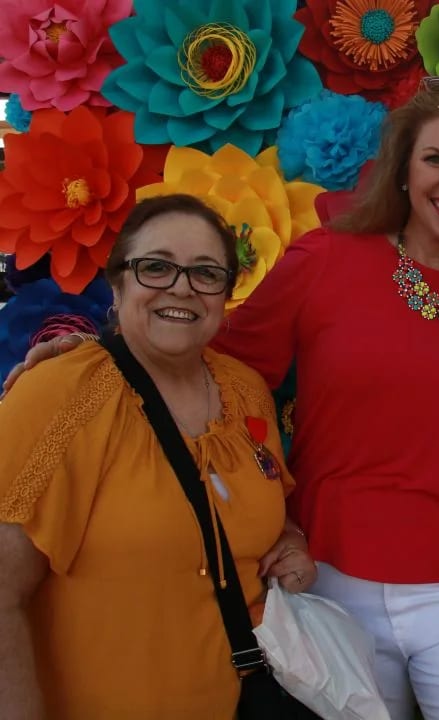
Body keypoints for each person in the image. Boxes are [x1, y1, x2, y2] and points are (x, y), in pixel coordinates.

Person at [3, 78, 439, 720]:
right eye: (436, 159)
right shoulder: (327, 258)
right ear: (403, 171)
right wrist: (98, 353)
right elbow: (205, 351)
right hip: (332, 577)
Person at [0, 194, 315, 719]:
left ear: (226, 294)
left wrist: (292, 547)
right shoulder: (59, 394)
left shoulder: (245, 392)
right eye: (156, 267)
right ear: (118, 283)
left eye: (205, 272)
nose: (181, 287)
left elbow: (257, 518)